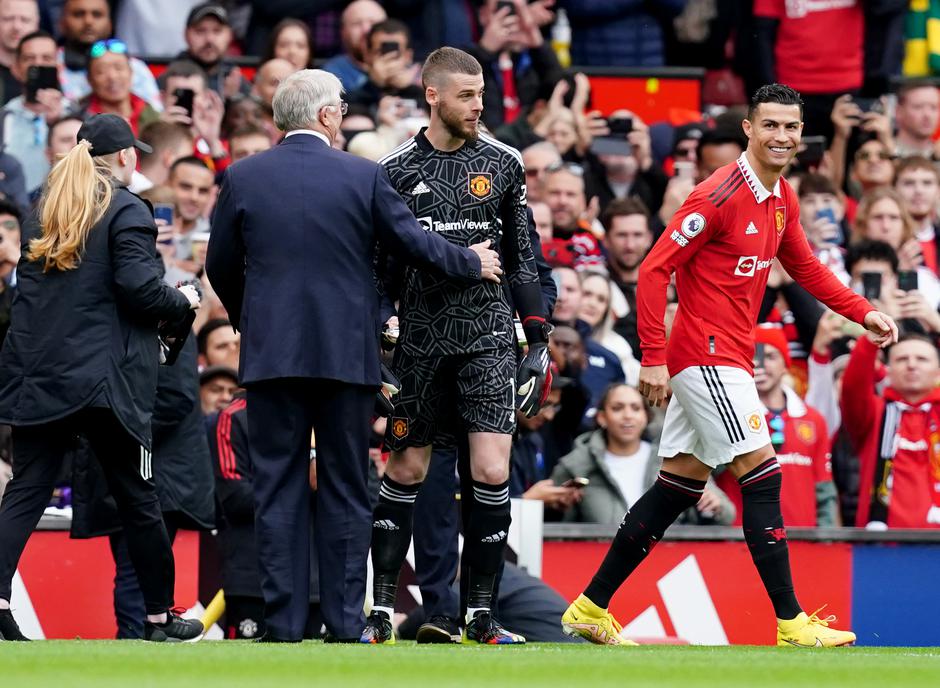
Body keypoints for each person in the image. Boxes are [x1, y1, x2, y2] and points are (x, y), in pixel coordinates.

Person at [561, 84, 898, 648]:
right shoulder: (717, 196)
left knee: (675, 489)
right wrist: (653, 356)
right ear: (749, 128)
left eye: (791, 127)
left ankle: (590, 606)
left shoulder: (782, 198)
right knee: (763, 474)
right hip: (706, 356)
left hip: (729, 357)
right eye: (771, 125)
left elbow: (807, 269)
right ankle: (791, 621)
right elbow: (652, 270)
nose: (782, 137)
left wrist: (863, 312)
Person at [205, 68, 501, 643]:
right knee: (344, 484)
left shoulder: (242, 176)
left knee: (277, 486)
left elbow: (220, 265)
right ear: (324, 116)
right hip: (346, 357)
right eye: (339, 107)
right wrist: (470, 261)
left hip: (272, 358)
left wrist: (253, 320)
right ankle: (345, 624)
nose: (342, 115)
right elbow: (412, 242)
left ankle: (283, 625)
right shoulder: (362, 176)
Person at [364, 47, 547, 646]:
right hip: (419, 339)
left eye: (482, 94)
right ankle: (379, 613)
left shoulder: (504, 164)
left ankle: (481, 616)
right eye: (466, 95)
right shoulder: (391, 171)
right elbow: (379, 271)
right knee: (408, 466)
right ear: (432, 94)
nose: (478, 105)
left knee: (492, 469)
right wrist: (379, 328)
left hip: (488, 334)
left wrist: (538, 334)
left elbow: (524, 258)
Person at [0, 113, 204, 642]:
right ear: (125, 158)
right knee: (139, 496)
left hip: (39, 371)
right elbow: (139, 287)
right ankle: (159, 615)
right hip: (105, 382)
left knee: (26, 490)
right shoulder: (126, 208)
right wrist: (181, 298)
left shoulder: (45, 208)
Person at [551, 383, 735, 525]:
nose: (628, 416)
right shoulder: (576, 465)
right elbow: (554, 523)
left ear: (646, 417)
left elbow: (727, 516)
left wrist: (714, 505)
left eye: (636, 408)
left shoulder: (676, 461)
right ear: (601, 418)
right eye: (617, 408)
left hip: (669, 565)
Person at [715, 327, 838, 527]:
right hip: (742, 543)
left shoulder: (814, 419)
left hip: (804, 542)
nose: (759, 364)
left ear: (785, 365)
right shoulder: (727, 415)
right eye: (751, 355)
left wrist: (826, 539)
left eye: (770, 356)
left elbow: (824, 491)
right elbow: (710, 474)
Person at [843, 332, 940, 528]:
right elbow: (853, 390)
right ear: (888, 371)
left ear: (938, 372)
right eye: (902, 359)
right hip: (882, 547)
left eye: (922, 359)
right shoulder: (874, 414)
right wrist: (868, 343)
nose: (912, 365)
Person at [57, 0, 161, 109]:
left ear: (110, 23)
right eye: (79, 14)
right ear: (62, 22)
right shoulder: (50, 62)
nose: (88, 21)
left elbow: (155, 116)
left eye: (97, 14)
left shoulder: (136, 67)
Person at [0, 30, 67, 193]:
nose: (38, 64)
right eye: (29, 59)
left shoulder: (77, 116)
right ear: (15, 68)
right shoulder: (3, 117)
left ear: (58, 67)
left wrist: (57, 123)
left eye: (47, 58)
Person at [177, 3, 249, 99]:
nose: (209, 39)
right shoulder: (168, 80)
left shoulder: (238, 83)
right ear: (186, 35)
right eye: (200, 30)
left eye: (217, 31)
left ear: (230, 35)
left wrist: (233, 102)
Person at [322, 0, 387, 92]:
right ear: (343, 33)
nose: (366, 30)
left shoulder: (406, 68)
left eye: (372, 22)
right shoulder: (331, 73)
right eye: (357, 23)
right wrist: (373, 83)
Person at [0, 0, 38, 104]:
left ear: (36, 24)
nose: (16, 27)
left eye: (25, 20)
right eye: (8, 18)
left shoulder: (56, 71)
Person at [893, 81, 940, 159]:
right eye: (918, 107)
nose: (927, 115)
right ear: (899, 111)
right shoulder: (879, 154)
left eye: (933, 107)